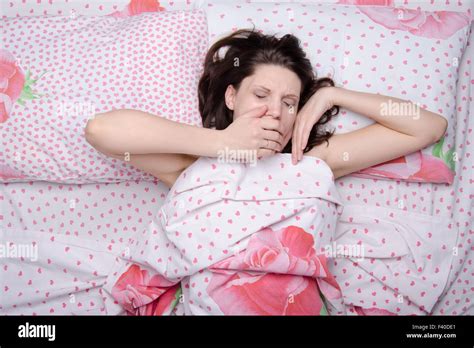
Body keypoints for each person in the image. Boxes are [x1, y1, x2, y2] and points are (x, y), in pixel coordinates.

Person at [84, 28, 447, 188]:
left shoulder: (312, 163)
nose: (276, 112)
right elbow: (101, 131)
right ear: (231, 98)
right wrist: (222, 145)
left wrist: (333, 96)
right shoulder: (190, 166)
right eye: (261, 95)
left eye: (289, 103)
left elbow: (427, 127)